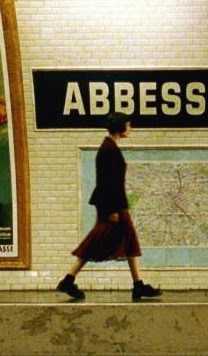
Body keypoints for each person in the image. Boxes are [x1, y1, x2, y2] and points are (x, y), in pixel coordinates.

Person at [57, 112, 162, 301]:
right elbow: (106, 182)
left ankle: (137, 285)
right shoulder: (108, 149)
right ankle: (68, 279)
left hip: (114, 203)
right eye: (128, 125)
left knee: (127, 240)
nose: (130, 128)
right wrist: (111, 210)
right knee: (98, 241)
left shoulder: (110, 147)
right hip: (112, 205)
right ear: (121, 126)